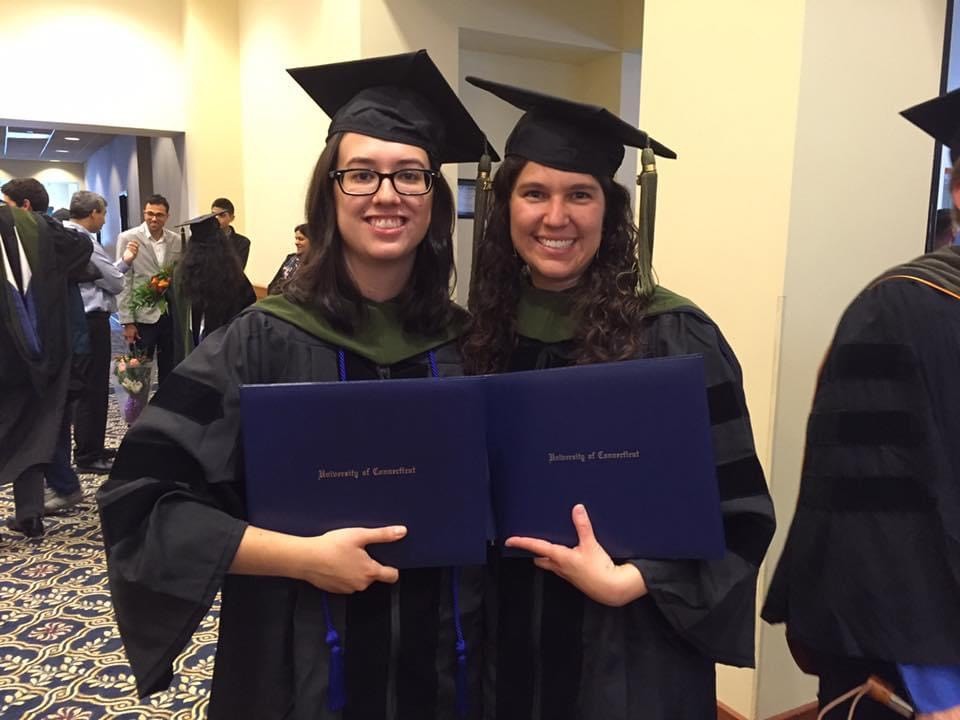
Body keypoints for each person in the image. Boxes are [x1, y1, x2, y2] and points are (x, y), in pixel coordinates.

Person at [97, 50, 495, 719]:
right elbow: (143, 505)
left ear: (434, 196)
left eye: (410, 176)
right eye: (361, 174)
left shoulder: (473, 344)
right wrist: (303, 558)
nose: (387, 194)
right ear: (329, 192)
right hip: (299, 670)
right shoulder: (261, 342)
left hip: (453, 667)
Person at [461, 78, 776, 719]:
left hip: (627, 648)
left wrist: (631, 581)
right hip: (501, 641)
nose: (556, 217)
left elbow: (739, 510)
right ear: (506, 208)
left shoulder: (672, 334)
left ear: (611, 211)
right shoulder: (478, 333)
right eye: (534, 194)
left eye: (580, 194)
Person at [762, 89, 960, 720]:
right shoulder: (901, 310)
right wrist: (942, 691)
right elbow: (874, 528)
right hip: (917, 677)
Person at [1, 184, 92, 537]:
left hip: (6, 351)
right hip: (43, 348)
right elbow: (81, 247)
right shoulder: (38, 227)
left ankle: (32, 513)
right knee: (33, 426)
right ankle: (30, 514)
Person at [59, 191, 139, 483]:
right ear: (93, 212)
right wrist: (125, 263)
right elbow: (116, 283)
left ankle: (91, 447)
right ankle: (87, 455)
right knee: (92, 388)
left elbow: (107, 277)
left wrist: (124, 262)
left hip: (80, 319)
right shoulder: (83, 241)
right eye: (103, 214)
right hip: (90, 321)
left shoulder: (67, 235)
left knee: (89, 387)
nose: (104, 219)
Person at [115, 194, 183, 384]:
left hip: (169, 315)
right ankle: (137, 410)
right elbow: (124, 281)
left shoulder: (176, 241)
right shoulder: (128, 238)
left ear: (167, 217)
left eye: (159, 215)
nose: (154, 218)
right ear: (144, 213)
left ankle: (164, 408)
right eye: (150, 214)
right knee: (139, 370)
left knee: (170, 366)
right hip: (141, 317)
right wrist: (127, 321)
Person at [173, 211, 256, 351]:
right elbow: (248, 302)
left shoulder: (183, 273)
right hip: (226, 343)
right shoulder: (232, 272)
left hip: (194, 344)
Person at [267, 223, 310, 295]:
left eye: (301, 239)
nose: (296, 242)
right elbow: (273, 284)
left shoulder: (315, 263)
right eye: (296, 238)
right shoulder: (290, 258)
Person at [211, 197, 251, 269]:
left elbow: (237, 270)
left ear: (232, 218)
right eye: (213, 215)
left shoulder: (242, 242)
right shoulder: (204, 240)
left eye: (222, 215)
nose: (216, 219)